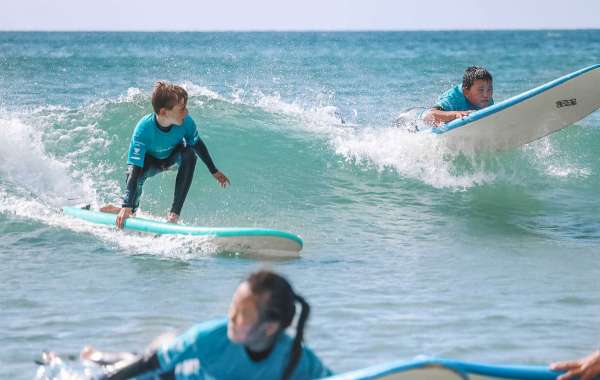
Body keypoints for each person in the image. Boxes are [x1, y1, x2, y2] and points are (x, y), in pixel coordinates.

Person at [82, 270, 332, 380]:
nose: (231, 317)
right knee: (143, 364)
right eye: (233, 306)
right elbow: (150, 364)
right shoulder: (211, 336)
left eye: (242, 313)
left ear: (270, 327)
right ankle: (98, 356)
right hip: (171, 374)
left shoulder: (296, 357)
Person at [101, 81, 230, 228]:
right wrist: (126, 204)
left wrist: (213, 170)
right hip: (149, 163)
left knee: (189, 154)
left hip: (172, 158)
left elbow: (196, 144)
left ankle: (174, 215)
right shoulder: (143, 129)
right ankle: (127, 209)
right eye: (182, 109)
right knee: (135, 187)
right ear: (163, 112)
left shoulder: (186, 123)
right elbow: (134, 169)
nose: (186, 112)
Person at [422, 66, 494, 126]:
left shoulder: (487, 99)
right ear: (466, 91)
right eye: (480, 90)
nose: (486, 94)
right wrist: (455, 115)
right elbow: (428, 116)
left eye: (489, 89)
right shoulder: (453, 98)